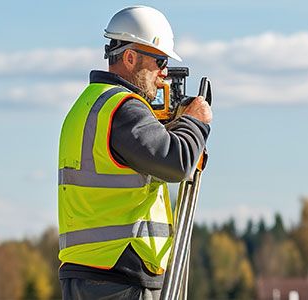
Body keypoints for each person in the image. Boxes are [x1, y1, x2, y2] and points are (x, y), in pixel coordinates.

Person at [57, 6, 213, 300]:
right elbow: (176, 163)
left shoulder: (88, 105)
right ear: (130, 58)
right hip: (120, 275)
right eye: (159, 60)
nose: (163, 73)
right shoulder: (123, 108)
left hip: (87, 272)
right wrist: (195, 123)